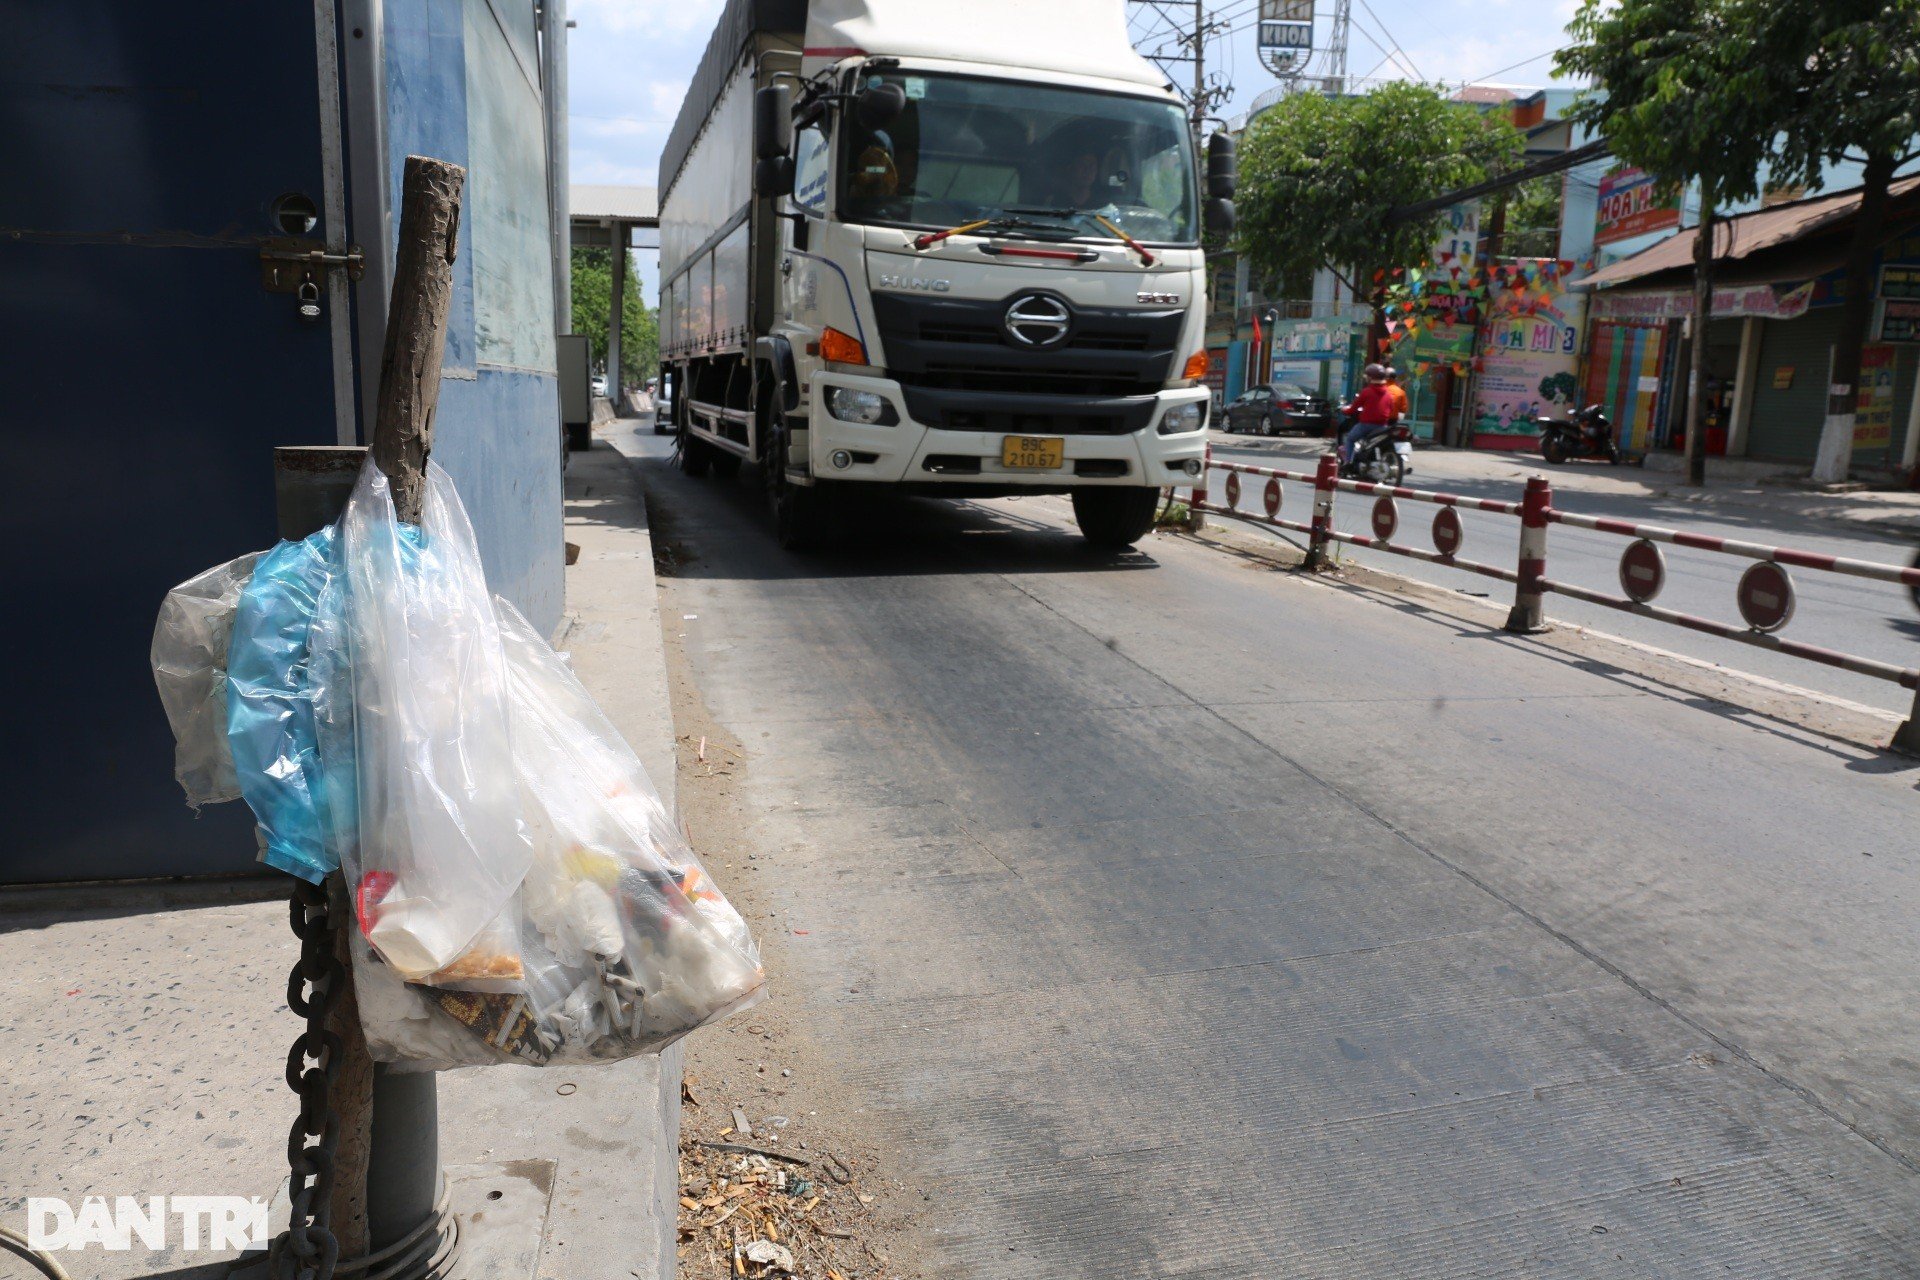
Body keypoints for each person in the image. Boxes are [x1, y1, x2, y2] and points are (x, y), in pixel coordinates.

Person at [1339, 364, 1396, 467]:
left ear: (1370, 377)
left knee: (1350, 439)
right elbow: (1391, 409)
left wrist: (1345, 410)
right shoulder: (1389, 393)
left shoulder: (1367, 392)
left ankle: (1348, 462)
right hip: (1383, 427)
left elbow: (1353, 408)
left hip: (1366, 425)